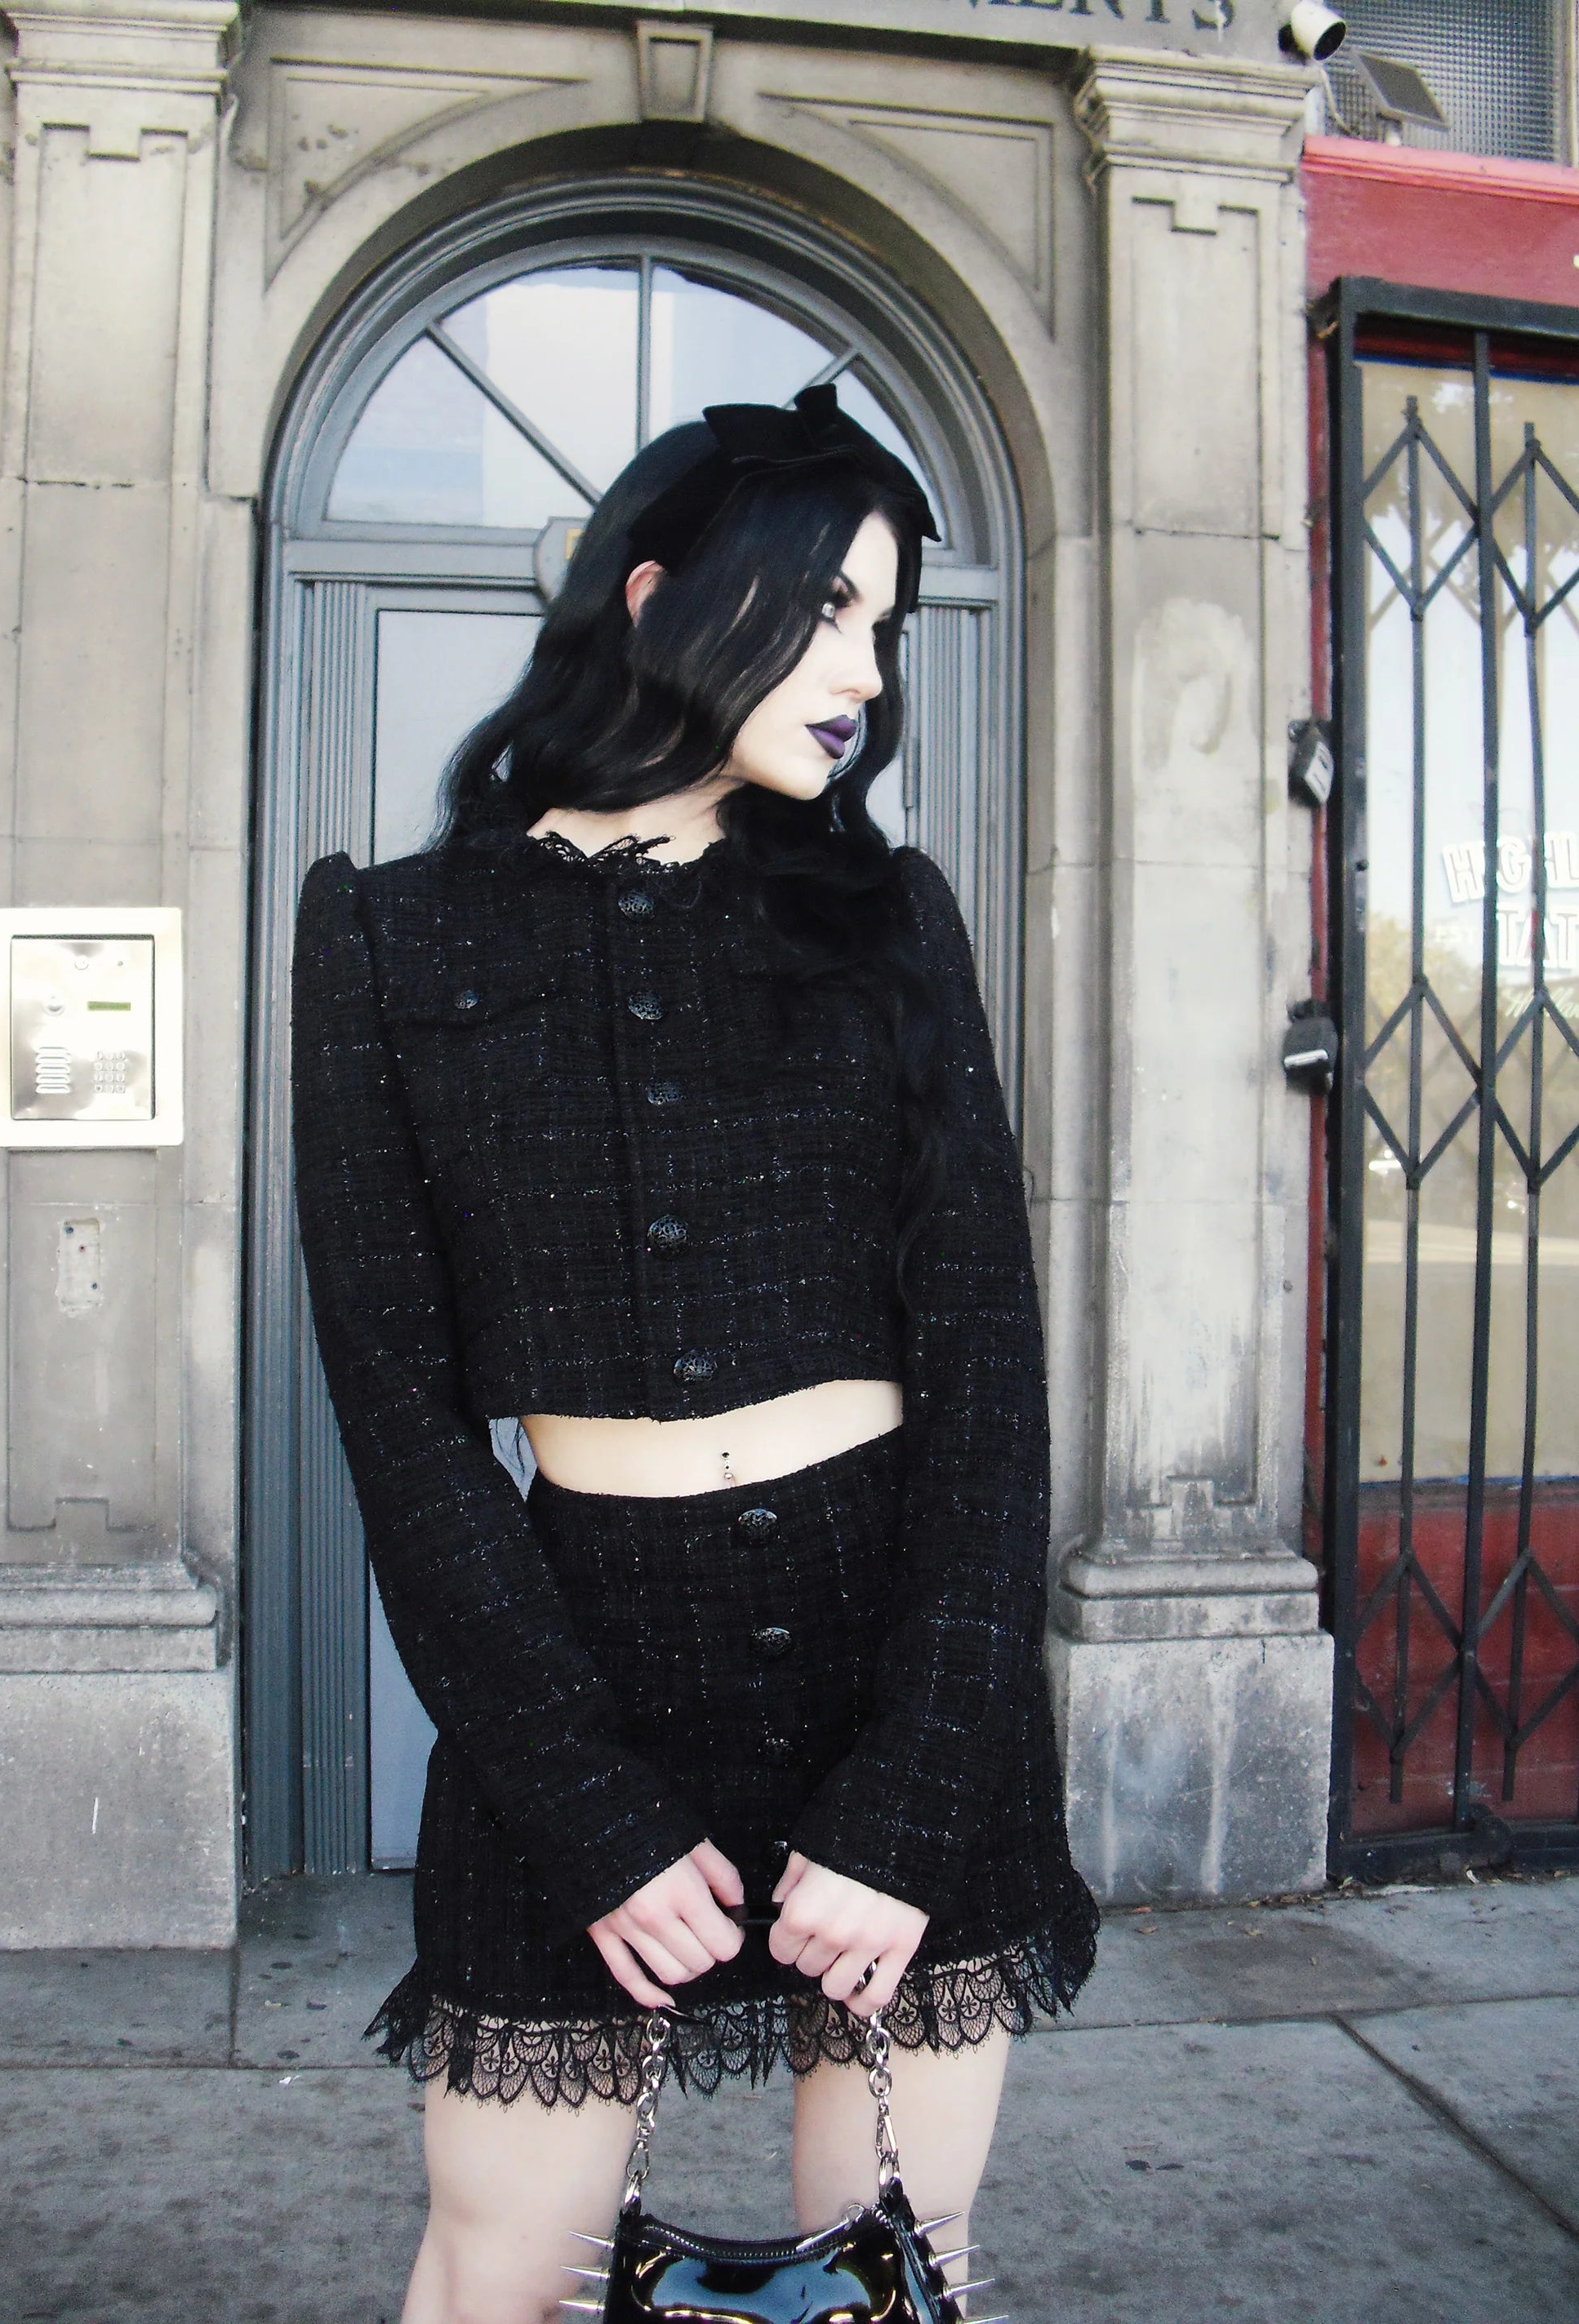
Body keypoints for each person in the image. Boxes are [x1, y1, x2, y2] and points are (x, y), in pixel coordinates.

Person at [291, 384, 1099, 2324]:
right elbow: (401, 1423)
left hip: (897, 1655)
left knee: (894, 2271)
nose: (865, 672)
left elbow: (988, 1378)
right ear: (655, 597)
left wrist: (914, 1789)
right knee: (498, 2267)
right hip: (576, 1663)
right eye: (822, 610)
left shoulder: (892, 922)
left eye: (884, 625)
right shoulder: (392, 938)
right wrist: (583, 1797)